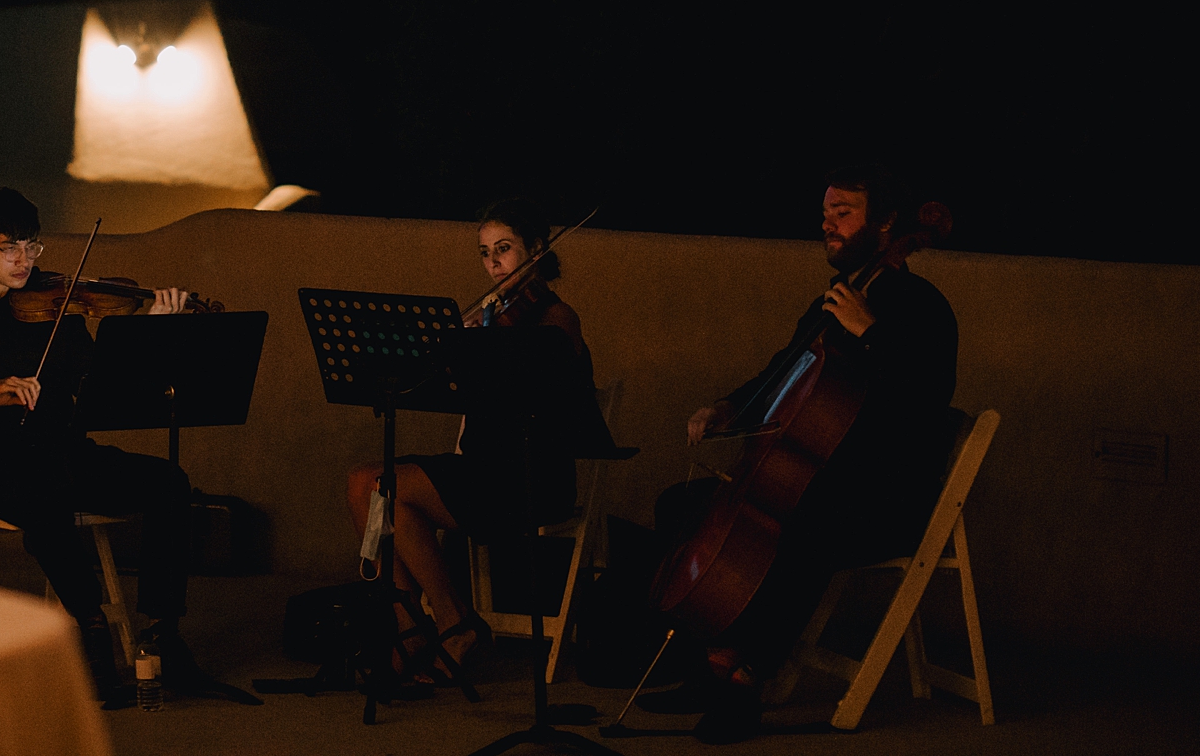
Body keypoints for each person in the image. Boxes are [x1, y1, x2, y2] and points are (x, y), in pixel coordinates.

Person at [0, 187, 253, 708]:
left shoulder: (59, 307)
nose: (24, 261)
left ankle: (162, 633)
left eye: (33, 247)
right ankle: (90, 626)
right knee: (45, 488)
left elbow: (101, 383)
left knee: (168, 483)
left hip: (67, 452)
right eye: (10, 246)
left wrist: (147, 332)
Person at [644, 165, 958, 744]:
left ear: (887, 223)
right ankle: (707, 664)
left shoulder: (920, 307)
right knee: (683, 506)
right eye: (826, 214)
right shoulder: (835, 299)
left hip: (884, 495)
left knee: (797, 525)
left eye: (844, 214)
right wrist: (727, 407)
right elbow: (781, 372)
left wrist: (871, 334)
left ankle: (744, 682)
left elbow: (924, 406)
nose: (828, 225)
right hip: (815, 476)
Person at [342, 198, 593, 685]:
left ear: (536, 251)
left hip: (527, 475)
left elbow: (535, 383)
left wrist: (476, 347)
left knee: (378, 486)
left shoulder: (557, 317)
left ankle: (455, 624)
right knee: (365, 485)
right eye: (484, 253)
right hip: (479, 469)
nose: (493, 263)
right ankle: (412, 627)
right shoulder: (489, 318)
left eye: (504, 249)